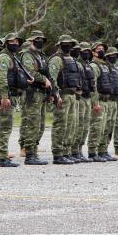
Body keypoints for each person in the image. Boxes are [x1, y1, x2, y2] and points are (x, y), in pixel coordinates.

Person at [18, 31, 51, 165]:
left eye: (42, 39)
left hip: (41, 93)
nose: (40, 41)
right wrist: (44, 79)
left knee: (40, 125)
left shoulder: (41, 56)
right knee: (32, 124)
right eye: (37, 39)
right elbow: (29, 72)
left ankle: (34, 150)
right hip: (32, 93)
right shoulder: (27, 55)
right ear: (32, 40)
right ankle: (29, 153)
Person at [48, 35, 82, 165]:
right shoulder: (57, 59)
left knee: (71, 125)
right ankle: (58, 153)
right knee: (61, 125)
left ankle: (66, 152)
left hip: (72, 96)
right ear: (60, 45)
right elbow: (52, 78)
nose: (68, 46)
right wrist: (56, 95)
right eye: (65, 43)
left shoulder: (72, 60)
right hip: (62, 95)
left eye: (70, 44)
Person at [0, 33, 24, 167]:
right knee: (4, 127)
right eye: (12, 41)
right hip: (5, 97)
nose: (15, 44)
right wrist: (4, 97)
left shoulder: (12, 57)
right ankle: (2, 157)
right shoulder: (4, 58)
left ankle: (3, 155)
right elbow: (2, 78)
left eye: (17, 41)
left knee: (7, 127)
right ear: (6, 43)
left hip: (11, 95)